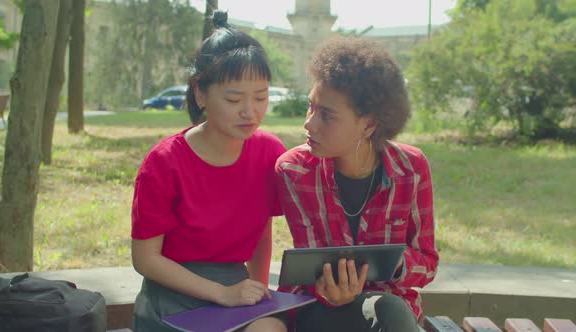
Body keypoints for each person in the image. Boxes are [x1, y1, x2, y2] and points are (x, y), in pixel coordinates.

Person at [131, 11, 287, 332]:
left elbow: (262, 230)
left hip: (234, 282)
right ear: (201, 93)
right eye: (234, 98)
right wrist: (222, 294)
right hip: (174, 289)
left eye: (261, 97)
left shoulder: (269, 151)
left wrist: (255, 292)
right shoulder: (165, 161)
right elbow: (146, 259)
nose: (250, 111)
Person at [275, 37, 439, 332]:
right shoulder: (295, 171)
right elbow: (307, 265)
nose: (309, 124)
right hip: (319, 310)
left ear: (368, 125)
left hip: (392, 314)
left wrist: (398, 264)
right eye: (310, 108)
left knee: (388, 306)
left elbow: (427, 264)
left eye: (326, 115)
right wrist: (330, 291)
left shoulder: (411, 169)